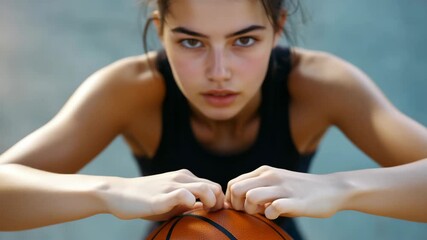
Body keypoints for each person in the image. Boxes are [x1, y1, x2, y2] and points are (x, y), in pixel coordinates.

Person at [1, 0, 426, 239]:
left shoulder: (320, 85)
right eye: (191, 42)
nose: (218, 71)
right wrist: (109, 192)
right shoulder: (130, 89)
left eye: (244, 40)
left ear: (277, 28)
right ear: (160, 30)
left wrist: (340, 187)